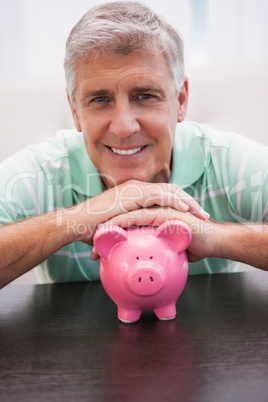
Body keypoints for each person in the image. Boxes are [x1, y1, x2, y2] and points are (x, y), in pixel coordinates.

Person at [0, 1, 267, 289]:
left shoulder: (226, 159)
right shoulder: (41, 172)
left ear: (180, 101)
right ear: (75, 112)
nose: (124, 127)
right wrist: (76, 218)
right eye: (99, 100)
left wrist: (216, 236)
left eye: (145, 96)